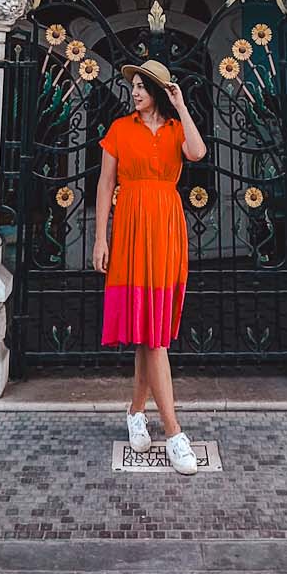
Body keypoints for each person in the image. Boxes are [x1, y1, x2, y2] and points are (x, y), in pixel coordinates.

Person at [92, 58, 207, 475]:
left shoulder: (177, 130)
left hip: (165, 227)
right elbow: (106, 184)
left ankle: (136, 411)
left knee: (151, 332)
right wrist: (100, 237)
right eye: (134, 86)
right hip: (131, 227)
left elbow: (197, 152)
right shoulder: (120, 130)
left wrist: (182, 106)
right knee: (152, 335)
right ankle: (174, 433)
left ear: (158, 91)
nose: (135, 92)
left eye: (142, 86)